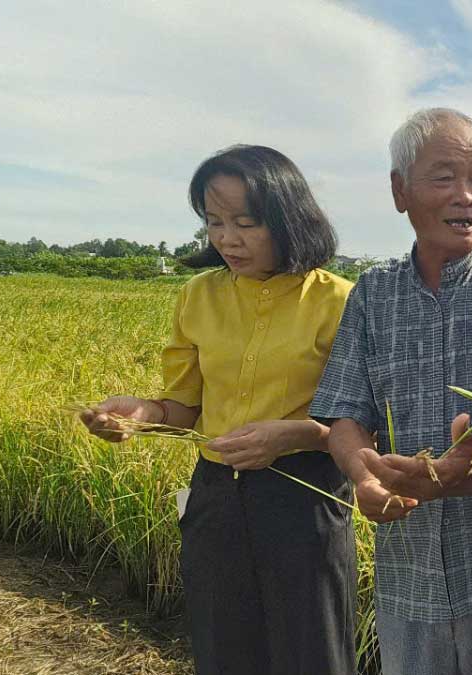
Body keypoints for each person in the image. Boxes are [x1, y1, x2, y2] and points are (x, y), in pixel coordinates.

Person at [309, 108, 472, 675]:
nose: (466, 196)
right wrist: (364, 477)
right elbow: (346, 412)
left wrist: (468, 469)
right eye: (444, 177)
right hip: (410, 572)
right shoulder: (373, 294)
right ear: (400, 191)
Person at [79, 145, 358, 674]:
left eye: (246, 223)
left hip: (304, 501)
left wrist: (298, 434)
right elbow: (183, 408)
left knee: (312, 653)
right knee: (223, 651)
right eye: (214, 222)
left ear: (289, 220)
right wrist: (139, 414)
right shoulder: (197, 296)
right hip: (215, 499)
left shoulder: (340, 302)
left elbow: (363, 424)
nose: (227, 239)